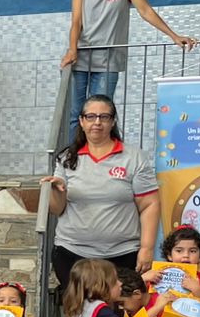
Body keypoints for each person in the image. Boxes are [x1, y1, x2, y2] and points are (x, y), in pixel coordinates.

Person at [60, 0, 197, 135]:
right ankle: (76, 158)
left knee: (101, 113)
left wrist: (173, 35)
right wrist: (72, 49)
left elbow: (145, 10)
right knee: (76, 114)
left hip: (108, 61)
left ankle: (99, 154)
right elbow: (76, 22)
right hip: (80, 58)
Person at [42, 94, 160, 290]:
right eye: (91, 116)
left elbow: (150, 204)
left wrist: (147, 248)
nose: (97, 122)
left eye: (104, 117)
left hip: (122, 255)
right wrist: (55, 191)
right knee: (81, 316)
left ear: (112, 121)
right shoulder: (66, 158)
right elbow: (57, 209)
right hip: (73, 254)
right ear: (81, 121)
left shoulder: (134, 158)